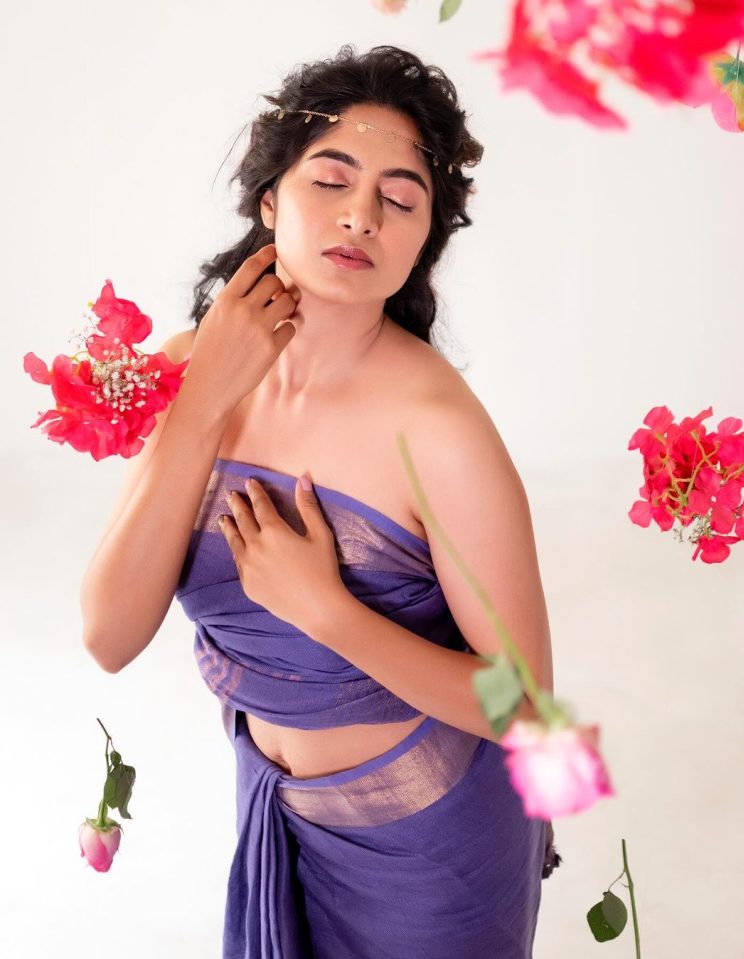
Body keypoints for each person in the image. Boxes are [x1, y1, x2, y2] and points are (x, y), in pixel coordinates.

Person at [80, 43, 560, 959]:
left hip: (432, 852)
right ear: (270, 200)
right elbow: (108, 634)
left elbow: (528, 706)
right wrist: (201, 405)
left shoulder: (439, 432)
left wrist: (326, 611)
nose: (360, 215)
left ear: (425, 242)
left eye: (400, 200)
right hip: (273, 805)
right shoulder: (189, 370)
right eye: (331, 180)